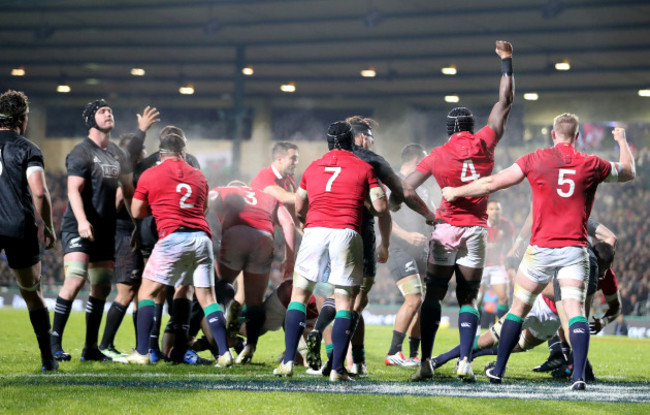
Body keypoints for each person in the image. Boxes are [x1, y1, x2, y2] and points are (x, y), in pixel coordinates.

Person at [441, 121, 636, 390]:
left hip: (541, 248)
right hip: (574, 250)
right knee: (575, 311)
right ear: (577, 136)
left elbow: (493, 183)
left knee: (518, 308)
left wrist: (456, 192)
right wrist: (622, 140)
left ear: (553, 134)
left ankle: (498, 370)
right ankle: (578, 376)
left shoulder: (535, 158)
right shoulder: (592, 163)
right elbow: (628, 172)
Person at [393, 40, 514, 382]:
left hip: (445, 228)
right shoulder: (486, 142)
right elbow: (505, 101)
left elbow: (405, 188)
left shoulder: (436, 154)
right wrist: (506, 61)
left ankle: (425, 363)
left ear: (448, 131)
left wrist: (429, 214)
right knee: (468, 297)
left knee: (433, 295)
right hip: (476, 229)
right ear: (472, 127)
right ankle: (465, 362)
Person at [274, 121, 387, 381]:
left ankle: (289, 361)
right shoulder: (364, 167)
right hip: (347, 232)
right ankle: (337, 368)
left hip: (315, 231)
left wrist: (305, 223)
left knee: (299, 296)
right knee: (345, 301)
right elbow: (381, 208)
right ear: (351, 142)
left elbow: (300, 204)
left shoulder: (313, 167)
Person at [50, 99, 153, 362]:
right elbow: (74, 190)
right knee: (75, 279)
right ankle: (54, 344)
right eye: (102, 111)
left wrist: (136, 223)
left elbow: (129, 192)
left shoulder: (118, 154)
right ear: (90, 120)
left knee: (102, 287)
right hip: (79, 226)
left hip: (106, 230)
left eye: (110, 111)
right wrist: (83, 221)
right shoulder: (81, 151)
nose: (108, 114)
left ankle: (91, 348)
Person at [119, 133, 232, 367]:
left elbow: (138, 211)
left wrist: (160, 206)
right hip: (202, 238)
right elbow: (204, 208)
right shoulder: (199, 175)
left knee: (147, 293)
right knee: (207, 297)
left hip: (172, 236)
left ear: (161, 154)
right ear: (183, 152)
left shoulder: (151, 174)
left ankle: (142, 352)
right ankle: (224, 353)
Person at [0, 90, 58, 371]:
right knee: (31, 291)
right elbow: (39, 192)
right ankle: (48, 359)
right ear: (22, 119)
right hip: (17, 225)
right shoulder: (28, 148)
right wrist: (47, 225)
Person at [133, 125, 201, 362]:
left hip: (151, 229)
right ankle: (179, 347)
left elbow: (136, 199)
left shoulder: (147, 164)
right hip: (178, 229)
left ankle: (151, 348)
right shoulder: (191, 161)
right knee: (184, 287)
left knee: (155, 289)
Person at [209, 181, 296, 363]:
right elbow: (288, 223)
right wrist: (289, 258)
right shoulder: (268, 197)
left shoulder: (224, 189)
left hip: (235, 233)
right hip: (263, 237)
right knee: (255, 300)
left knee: (219, 285)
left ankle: (227, 310)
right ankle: (250, 347)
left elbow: (207, 201)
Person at [98, 113, 159, 360]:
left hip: (133, 236)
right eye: (141, 151)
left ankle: (139, 346)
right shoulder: (125, 175)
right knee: (126, 293)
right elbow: (113, 206)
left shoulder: (136, 175)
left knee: (138, 293)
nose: (144, 155)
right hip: (125, 237)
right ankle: (105, 345)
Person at [384, 143, 433, 367]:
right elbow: (383, 217)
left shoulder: (420, 187)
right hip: (399, 248)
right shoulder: (392, 183)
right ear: (415, 161)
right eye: (423, 161)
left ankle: (414, 354)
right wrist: (407, 236)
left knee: (421, 303)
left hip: (420, 250)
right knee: (413, 298)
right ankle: (393, 352)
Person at [477, 200, 515, 320]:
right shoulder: (479, 224)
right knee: (477, 299)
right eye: (492, 209)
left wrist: (511, 268)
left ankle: (500, 333)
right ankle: (476, 333)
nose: (495, 212)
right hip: (480, 265)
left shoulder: (507, 225)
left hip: (497, 265)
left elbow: (511, 249)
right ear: (486, 211)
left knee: (504, 298)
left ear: (501, 211)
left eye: (497, 209)